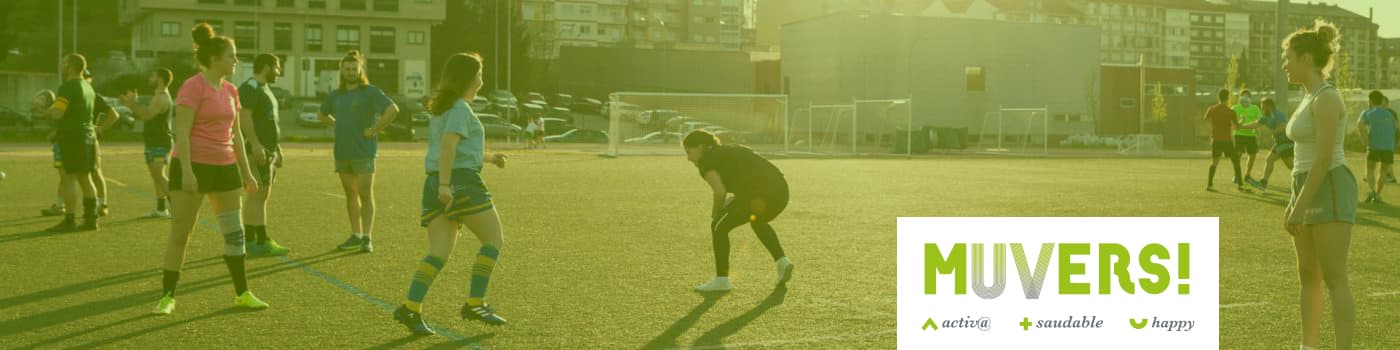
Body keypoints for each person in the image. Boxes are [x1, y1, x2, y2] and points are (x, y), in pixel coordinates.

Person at [153, 23, 268, 315]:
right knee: (182, 232)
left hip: (225, 167)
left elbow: (237, 135)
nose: (236, 60)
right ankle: (167, 296)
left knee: (234, 232)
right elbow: (182, 133)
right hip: (192, 168)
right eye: (232, 55)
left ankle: (242, 293)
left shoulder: (231, 90)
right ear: (215, 58)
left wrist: (246, 172)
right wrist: (189, 172)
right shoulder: (193, 86)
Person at [393, 52, 510, 334]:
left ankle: (410, 308)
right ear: (469, 77)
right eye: (480, 74)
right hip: (459, 182)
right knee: (493, 239)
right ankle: (475, 302)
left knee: (438, 253)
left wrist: (491, 158)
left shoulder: (444, 108)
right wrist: (448, 185)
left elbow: (456, 149)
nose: (482, 81)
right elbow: (448, 146)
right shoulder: (459, 109)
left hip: (434, 183)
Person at [1281, 19, 1355, 350]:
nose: (1285, 64)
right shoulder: (1306, 98)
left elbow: (1323, 160)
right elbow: (1303, 159)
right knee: (1307, 274)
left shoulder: (1326, 98)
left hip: (1331, 185)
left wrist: (1299, 204)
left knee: (1334, 277)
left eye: (1289, 57)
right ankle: (1307, 346)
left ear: (1307, 59)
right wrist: (1293, 200)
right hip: (1305, 185)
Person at [684, 130, 794, 293]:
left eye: (689, 152)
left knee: (718, 226)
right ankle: (782, 262)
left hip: (758, 194)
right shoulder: (729, 150)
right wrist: (737, 198)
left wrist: (716, 213)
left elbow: (719, 191)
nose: (689, 158)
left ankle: (722, 280)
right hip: (781, 190)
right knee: (757, 219)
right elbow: (749, 175)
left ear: (701, 147)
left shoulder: (706, 161)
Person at [319, 49, 400, 253]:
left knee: (365, 193)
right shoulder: (336, 95)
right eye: (347, 69)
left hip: (364, 152)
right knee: (350, 194)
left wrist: (375, 129)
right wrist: (337, 125)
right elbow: (322, 114)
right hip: (342, 153)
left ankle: (367, 237)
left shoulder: (370, 92)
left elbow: (393, 110)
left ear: (360, 70)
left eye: (354, 68)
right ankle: (355, 235)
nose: (350, 72)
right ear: (342, 71)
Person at [41, 54, 101, 232]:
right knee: (86, 178)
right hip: (89, 135)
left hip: (72, 137)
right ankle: (91, 220)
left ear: (73, 66)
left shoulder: (67, 87)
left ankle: (69, 220)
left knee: (67, 178)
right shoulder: (88, 87)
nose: (62, 65)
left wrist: (45, 111)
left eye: (65, 63)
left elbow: (58, 113)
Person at [238, 53, 291, 256]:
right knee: (256, 195)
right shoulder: (250, 87)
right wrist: (255, 143)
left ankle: (254, 240)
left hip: (269, 150)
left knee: (262, 195)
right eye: (277, 68)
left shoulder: (264, 89)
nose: (279, 72)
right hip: (257, 150)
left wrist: (277, 148)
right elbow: (244, 117)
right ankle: (257, 240)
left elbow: (270, 121)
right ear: (267, 67)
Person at [120, 68, 176, 218]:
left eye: (153, 76)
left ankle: (178, 208)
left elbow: (146, 115)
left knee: (159, 175)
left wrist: (132, 104)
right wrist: (133, 104)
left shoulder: (161, 98)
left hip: (160, 142)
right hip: (154, 142)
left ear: (161, 79)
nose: (150, 78)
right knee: (156, 177)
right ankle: (161, 209)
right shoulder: (157, 96)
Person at [1243, 97, 1293, 193]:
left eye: (1263, 107)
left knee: (1269, 159)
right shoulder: (1266, 117)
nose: (1261, 109)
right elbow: (1255, 124)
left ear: (1269, 106)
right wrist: (1241, 126)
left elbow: (1283, 126)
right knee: (1290, 165)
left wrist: (1271, 132)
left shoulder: (1279, 115)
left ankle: (1263, 183)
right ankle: (1310, 179)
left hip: (1287, 142)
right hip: (1280, 143)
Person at [1203, 88, 1247, 193]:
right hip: (1227, 140)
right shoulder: (1231, 112)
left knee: (1214, 162)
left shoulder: (1211, 109)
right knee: (1235, 161)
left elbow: (1205, 120)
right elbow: (1237, 127)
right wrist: (1242, 120)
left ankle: (1209, 184)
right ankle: (1240, 184)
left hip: (1216, 140)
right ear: (1227, 98)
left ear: (1218, 97)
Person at [1358, 90, 1396, 203]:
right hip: (1388, 147)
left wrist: (1364, 139)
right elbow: (1395, 129)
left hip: (1374, 146)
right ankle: (1378, 195)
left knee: (1370, 168)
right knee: (1383, 171)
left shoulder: (1368, 112)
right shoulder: (1389, 114)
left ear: (1370, 100)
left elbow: (1359, 123)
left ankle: (1372, 191)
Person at [1233, 89, 1264, 184]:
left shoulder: (1255, 108)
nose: (1244, 98)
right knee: (1238, 155)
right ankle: (1236, 176)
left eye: (1247, 96)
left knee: (1253, 155)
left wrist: (1254, 128)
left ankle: (1247, 175)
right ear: (1239, 98)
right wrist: (1239, 125)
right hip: (1238, 135)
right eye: (1243, 96)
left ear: (1250, 98)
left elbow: (1260, 121)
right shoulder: (1234, 108)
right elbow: (1232, 123)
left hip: (1251, 135)